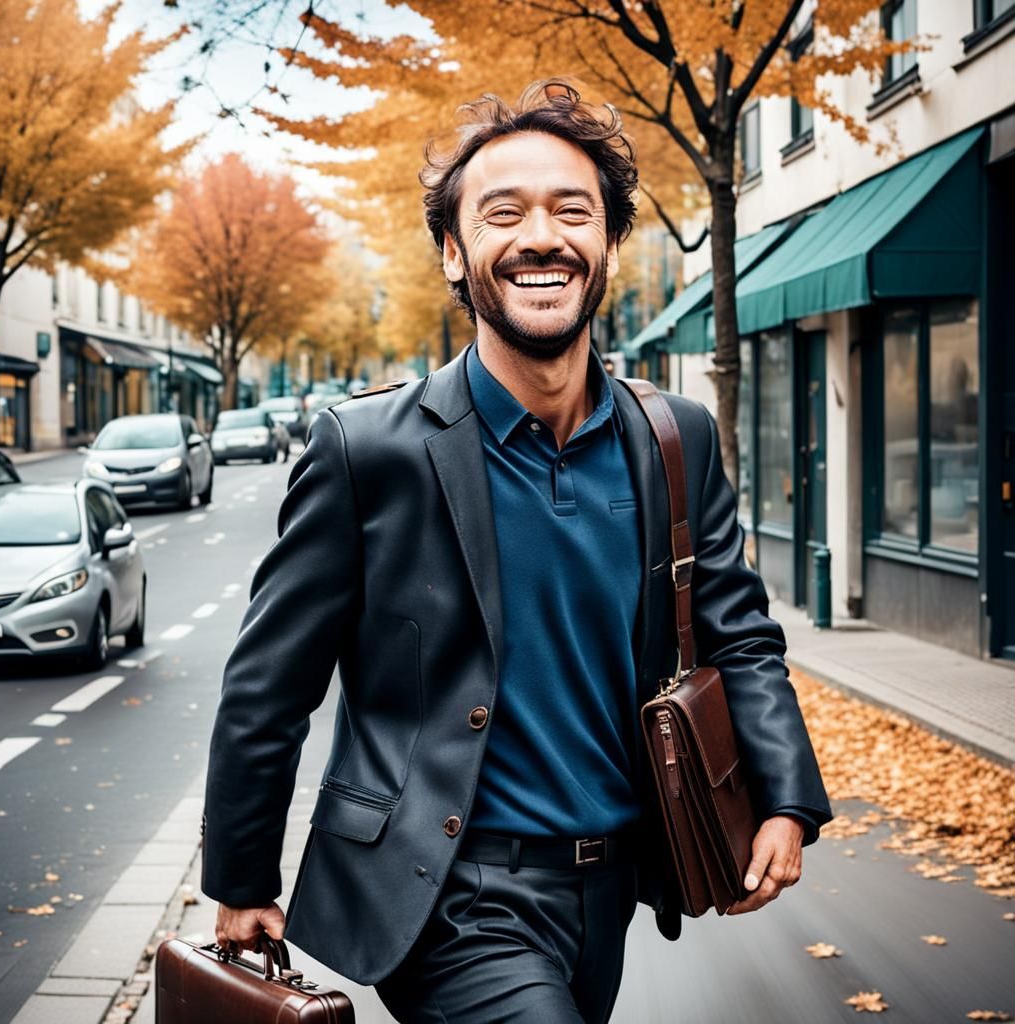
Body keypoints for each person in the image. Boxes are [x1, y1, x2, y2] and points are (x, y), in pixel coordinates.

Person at [202, 79, 833, 1023]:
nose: (542, 236)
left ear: (609, 244)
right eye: (504, 214)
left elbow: (737, 633)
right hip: (448, 891)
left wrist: (784, 795)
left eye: (572, 210)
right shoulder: (365, 451)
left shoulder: (678, 439)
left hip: (613, 888)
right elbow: (270, 684)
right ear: (457, 255)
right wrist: (243, 874)